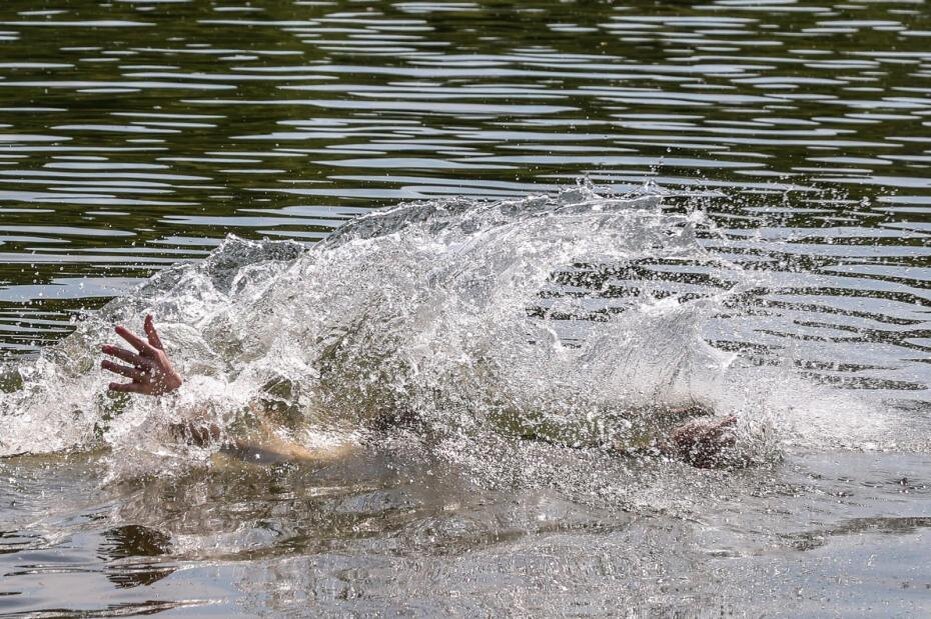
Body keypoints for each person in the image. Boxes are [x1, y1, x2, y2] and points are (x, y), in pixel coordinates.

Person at [101, 315, 739, 468]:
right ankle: (671, 437)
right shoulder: (315, 451)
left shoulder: (315, 454)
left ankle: (670, 439)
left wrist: (178, 391)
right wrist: (179, 391)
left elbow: (229, 431)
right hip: (408, 438)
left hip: (400, 441)